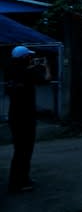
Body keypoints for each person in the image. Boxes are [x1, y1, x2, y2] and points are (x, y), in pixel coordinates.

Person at [5, 45, 51, 193]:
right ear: (25, 58)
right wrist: (46, 66)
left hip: (14, 115)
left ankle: (21, 179)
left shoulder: (11, 72)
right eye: (29, 56)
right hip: (26, 116)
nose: (31, 58)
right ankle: (18, 183)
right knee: (25, 150)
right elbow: (47, 79)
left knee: (20, 150)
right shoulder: (28, 73)